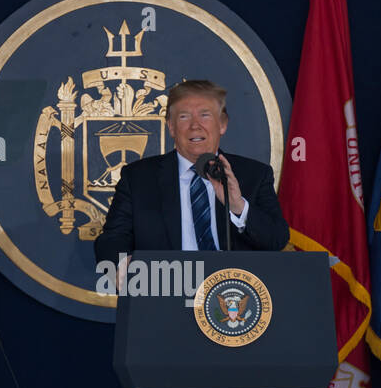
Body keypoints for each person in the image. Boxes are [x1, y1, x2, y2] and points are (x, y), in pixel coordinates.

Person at [93, 80, 290, 270]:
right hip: (165, 291)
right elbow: (112, 240)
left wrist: (238, 205)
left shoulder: (254, 175)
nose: (195, 125)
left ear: (222, 124)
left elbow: (276, 240)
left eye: (205, 115)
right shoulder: (138, 178)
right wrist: (123, 267)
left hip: (231, 295)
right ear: (171, 127)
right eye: (184, 116)